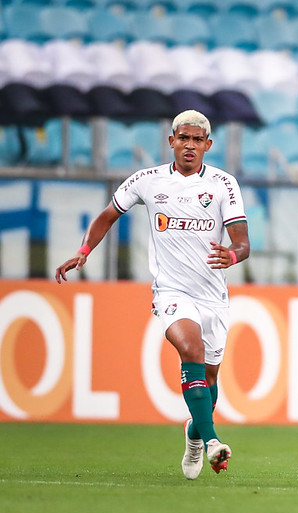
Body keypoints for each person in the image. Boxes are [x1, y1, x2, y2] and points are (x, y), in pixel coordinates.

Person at [55, 110, 250, 480]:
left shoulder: (224, 185)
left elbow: (242, 241)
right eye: (183, 138)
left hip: (213, 296)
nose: (189, 145)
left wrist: (234, 254)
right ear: (171, 140)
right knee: (190, 349)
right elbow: (107, 216)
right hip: (171, 291)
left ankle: (194, 435)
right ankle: (212, 443)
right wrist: (83, 252)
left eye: (197, 140)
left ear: (208, 145)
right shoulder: (147, 180)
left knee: (209, 385)